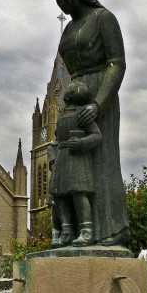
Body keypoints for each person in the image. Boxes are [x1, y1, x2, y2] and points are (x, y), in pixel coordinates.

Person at [51, 0, 130, 246]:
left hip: (99, 94)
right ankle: (72, 231)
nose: (62, 4)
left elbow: (117, 63)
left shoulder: (103, 18)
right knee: (71, 165)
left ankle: (110, 229)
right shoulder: (71, 28)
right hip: (75, 96)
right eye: (57, 0)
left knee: (102, 162)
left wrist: (98, 104)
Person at [49, 81, 102, 247]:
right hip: (62, 158)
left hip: (77, 158)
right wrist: (53, 158)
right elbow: (55, 141)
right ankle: (67, 231)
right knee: (59, 195)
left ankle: (87, 231)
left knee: (79, 194)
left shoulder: (83, 114)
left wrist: (81, 143)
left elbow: (96, 136)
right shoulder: (62, 115)